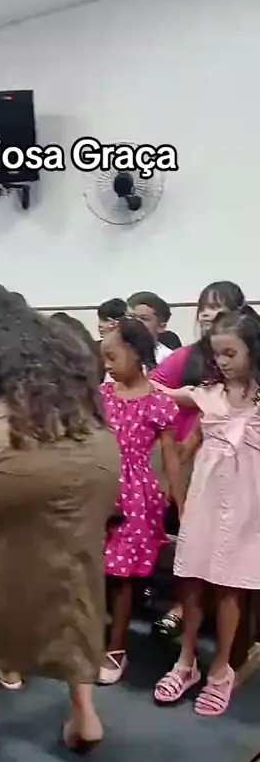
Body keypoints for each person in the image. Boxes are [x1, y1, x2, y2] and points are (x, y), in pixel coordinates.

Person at [0, 281, 119, 750]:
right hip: (97, 460)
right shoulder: (60, 340)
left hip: (18, 464)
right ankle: (85, 716)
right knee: (75, 580)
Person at [154, 311, 260, 716]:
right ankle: (185, 662)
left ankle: (221, 669)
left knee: (232, 586)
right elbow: (168, 395)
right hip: (206, 500)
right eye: (218, 354)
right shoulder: (208, 393)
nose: (223, 361)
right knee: (192, 580)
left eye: (231, 353)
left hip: (248, 506)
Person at [98, 318, 183, 684]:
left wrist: (181, 504)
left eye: (112, 356)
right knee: (92, 571)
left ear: (135, 353)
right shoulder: (101, 394)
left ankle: (116, 649)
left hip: (135, 496)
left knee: (122, 578)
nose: (107, 365)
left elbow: (171, 457)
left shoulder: (159, 402)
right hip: (98, 487)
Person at [126, 291, 173, 365]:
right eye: (131, 316)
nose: (135, 322)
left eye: (143, 318)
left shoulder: (168, 359)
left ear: (161, 327)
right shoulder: (115, 351)